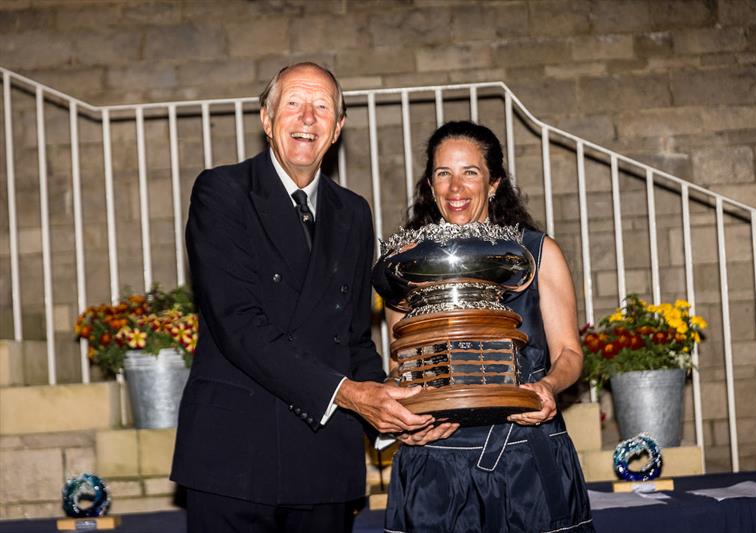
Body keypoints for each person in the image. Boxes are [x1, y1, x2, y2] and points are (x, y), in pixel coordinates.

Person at [170, 62, 433, 533]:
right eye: (293, 103)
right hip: (234, 456)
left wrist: (398, 407)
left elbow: (353, 338)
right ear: (267, 121)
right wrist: (352, 394)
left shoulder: (353, 212)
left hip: (323, 461)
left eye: (322, 107)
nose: (307, 117)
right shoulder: (222, 192)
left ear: (337, 128)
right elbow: (239, 325)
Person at [374, 121, 595, 532]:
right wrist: (405, 420)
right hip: (433, 461)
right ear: (430, 184)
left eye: (469, 172)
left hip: (523, 457)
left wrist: (547, 387)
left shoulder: (538, 252)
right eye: (443, 173)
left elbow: (569, 353)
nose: (455, 188)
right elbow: (401, 361)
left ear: (493, 183)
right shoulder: (406, 263)